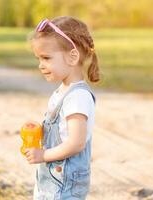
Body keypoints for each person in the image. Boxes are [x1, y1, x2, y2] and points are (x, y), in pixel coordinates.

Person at [25, 16, 100, 199]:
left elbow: (76, 143)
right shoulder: (63, 91)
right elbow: (62, 131)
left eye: (46, 58)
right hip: (53, 178)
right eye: (39, 59)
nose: (40, 65)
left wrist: (43, 155)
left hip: (65, 182)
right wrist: (40, 130)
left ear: (72, 56)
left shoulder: (78, 97)